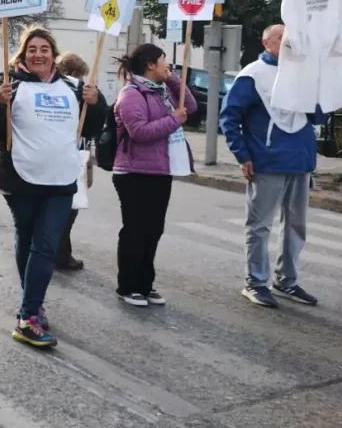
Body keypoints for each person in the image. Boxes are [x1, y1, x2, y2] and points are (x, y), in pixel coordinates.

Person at [0, 28, 106, 348]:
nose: (38, 54)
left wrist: (97, 103)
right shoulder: (9, 84)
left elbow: (90, 127)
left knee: (46, 245)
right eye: (32, 49)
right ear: (23, 54)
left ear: (54, 54)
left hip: (61, 181)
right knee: (27, 240)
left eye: (44, 49)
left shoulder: (73, 87)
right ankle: (33, 307)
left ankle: (28, 315)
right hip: (20, 179)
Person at [220, 24, 324, 308]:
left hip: (300, 161)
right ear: (267, 43)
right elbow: (229, 117)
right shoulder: (252, 75)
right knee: (260, 226)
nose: (290, 41)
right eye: (283, 37)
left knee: (296, 226)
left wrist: (318, 93)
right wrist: (242, 155)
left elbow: (318, 117)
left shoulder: (302, 72)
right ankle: (255, 282)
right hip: (267, 161)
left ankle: (286, 280)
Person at [112, 43, 197, 308]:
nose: (167, 65)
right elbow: (139, 131)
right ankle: (128, 286)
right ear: (150, 64)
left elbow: (190, 106)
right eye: (163, 60)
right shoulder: (132, 94)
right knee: (136, 230)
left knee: (153, 230)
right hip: (134, 172)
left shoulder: (161, 90)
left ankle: (145, 284)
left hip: (160, 169)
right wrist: (174, 119)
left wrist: (172, 79)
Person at [54, 51, 94, 271]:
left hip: (79, 152)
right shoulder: (67, 92)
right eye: (80, 75)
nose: (82, 80)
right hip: (69, 156)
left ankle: (59, 251)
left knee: (68, 209)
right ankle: (60, 254)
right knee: (68, 209)